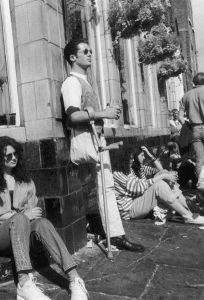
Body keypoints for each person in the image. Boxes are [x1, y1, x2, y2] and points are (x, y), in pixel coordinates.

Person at [61, 39, 144, 252]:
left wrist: (103, 112)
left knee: (104, 186)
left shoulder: (85, 82)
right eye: (85, 51)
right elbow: (73, 115)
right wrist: (103, 113)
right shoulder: (71, 82)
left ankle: (112, 232)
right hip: (88, 141)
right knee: (103, 187)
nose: (90, 54)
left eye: (90, 50)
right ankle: (114, 235)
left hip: (97, 140)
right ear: (73, 57)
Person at [0, 136, 88, 300]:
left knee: (43, 223)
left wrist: (25, 215)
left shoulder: (26, 182)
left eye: (16, 154)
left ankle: (75, 279)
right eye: (8, 155)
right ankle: (25, 284)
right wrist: (23, 215)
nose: (14, 158)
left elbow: (35, 212)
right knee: (19, 219)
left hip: (24, 233)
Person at [113, 146, 204, 224]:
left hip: (137, 202)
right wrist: (162, 177)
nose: (132, 160)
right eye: (130, 158)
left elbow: (159, 170)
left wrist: (164, 174)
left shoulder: (131, 170)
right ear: (123, 159)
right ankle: (187, 214)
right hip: (129, 210)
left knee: (162, 176)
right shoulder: (118, 174)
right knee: (159, 184)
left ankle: (188, 210)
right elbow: (138, 188)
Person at [179, 72, 204, 177]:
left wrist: (188, 127)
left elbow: (180, 117)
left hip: (194, 129)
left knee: (199, 161)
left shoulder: (186, 95)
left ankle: (202, 187)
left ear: (194, 82)